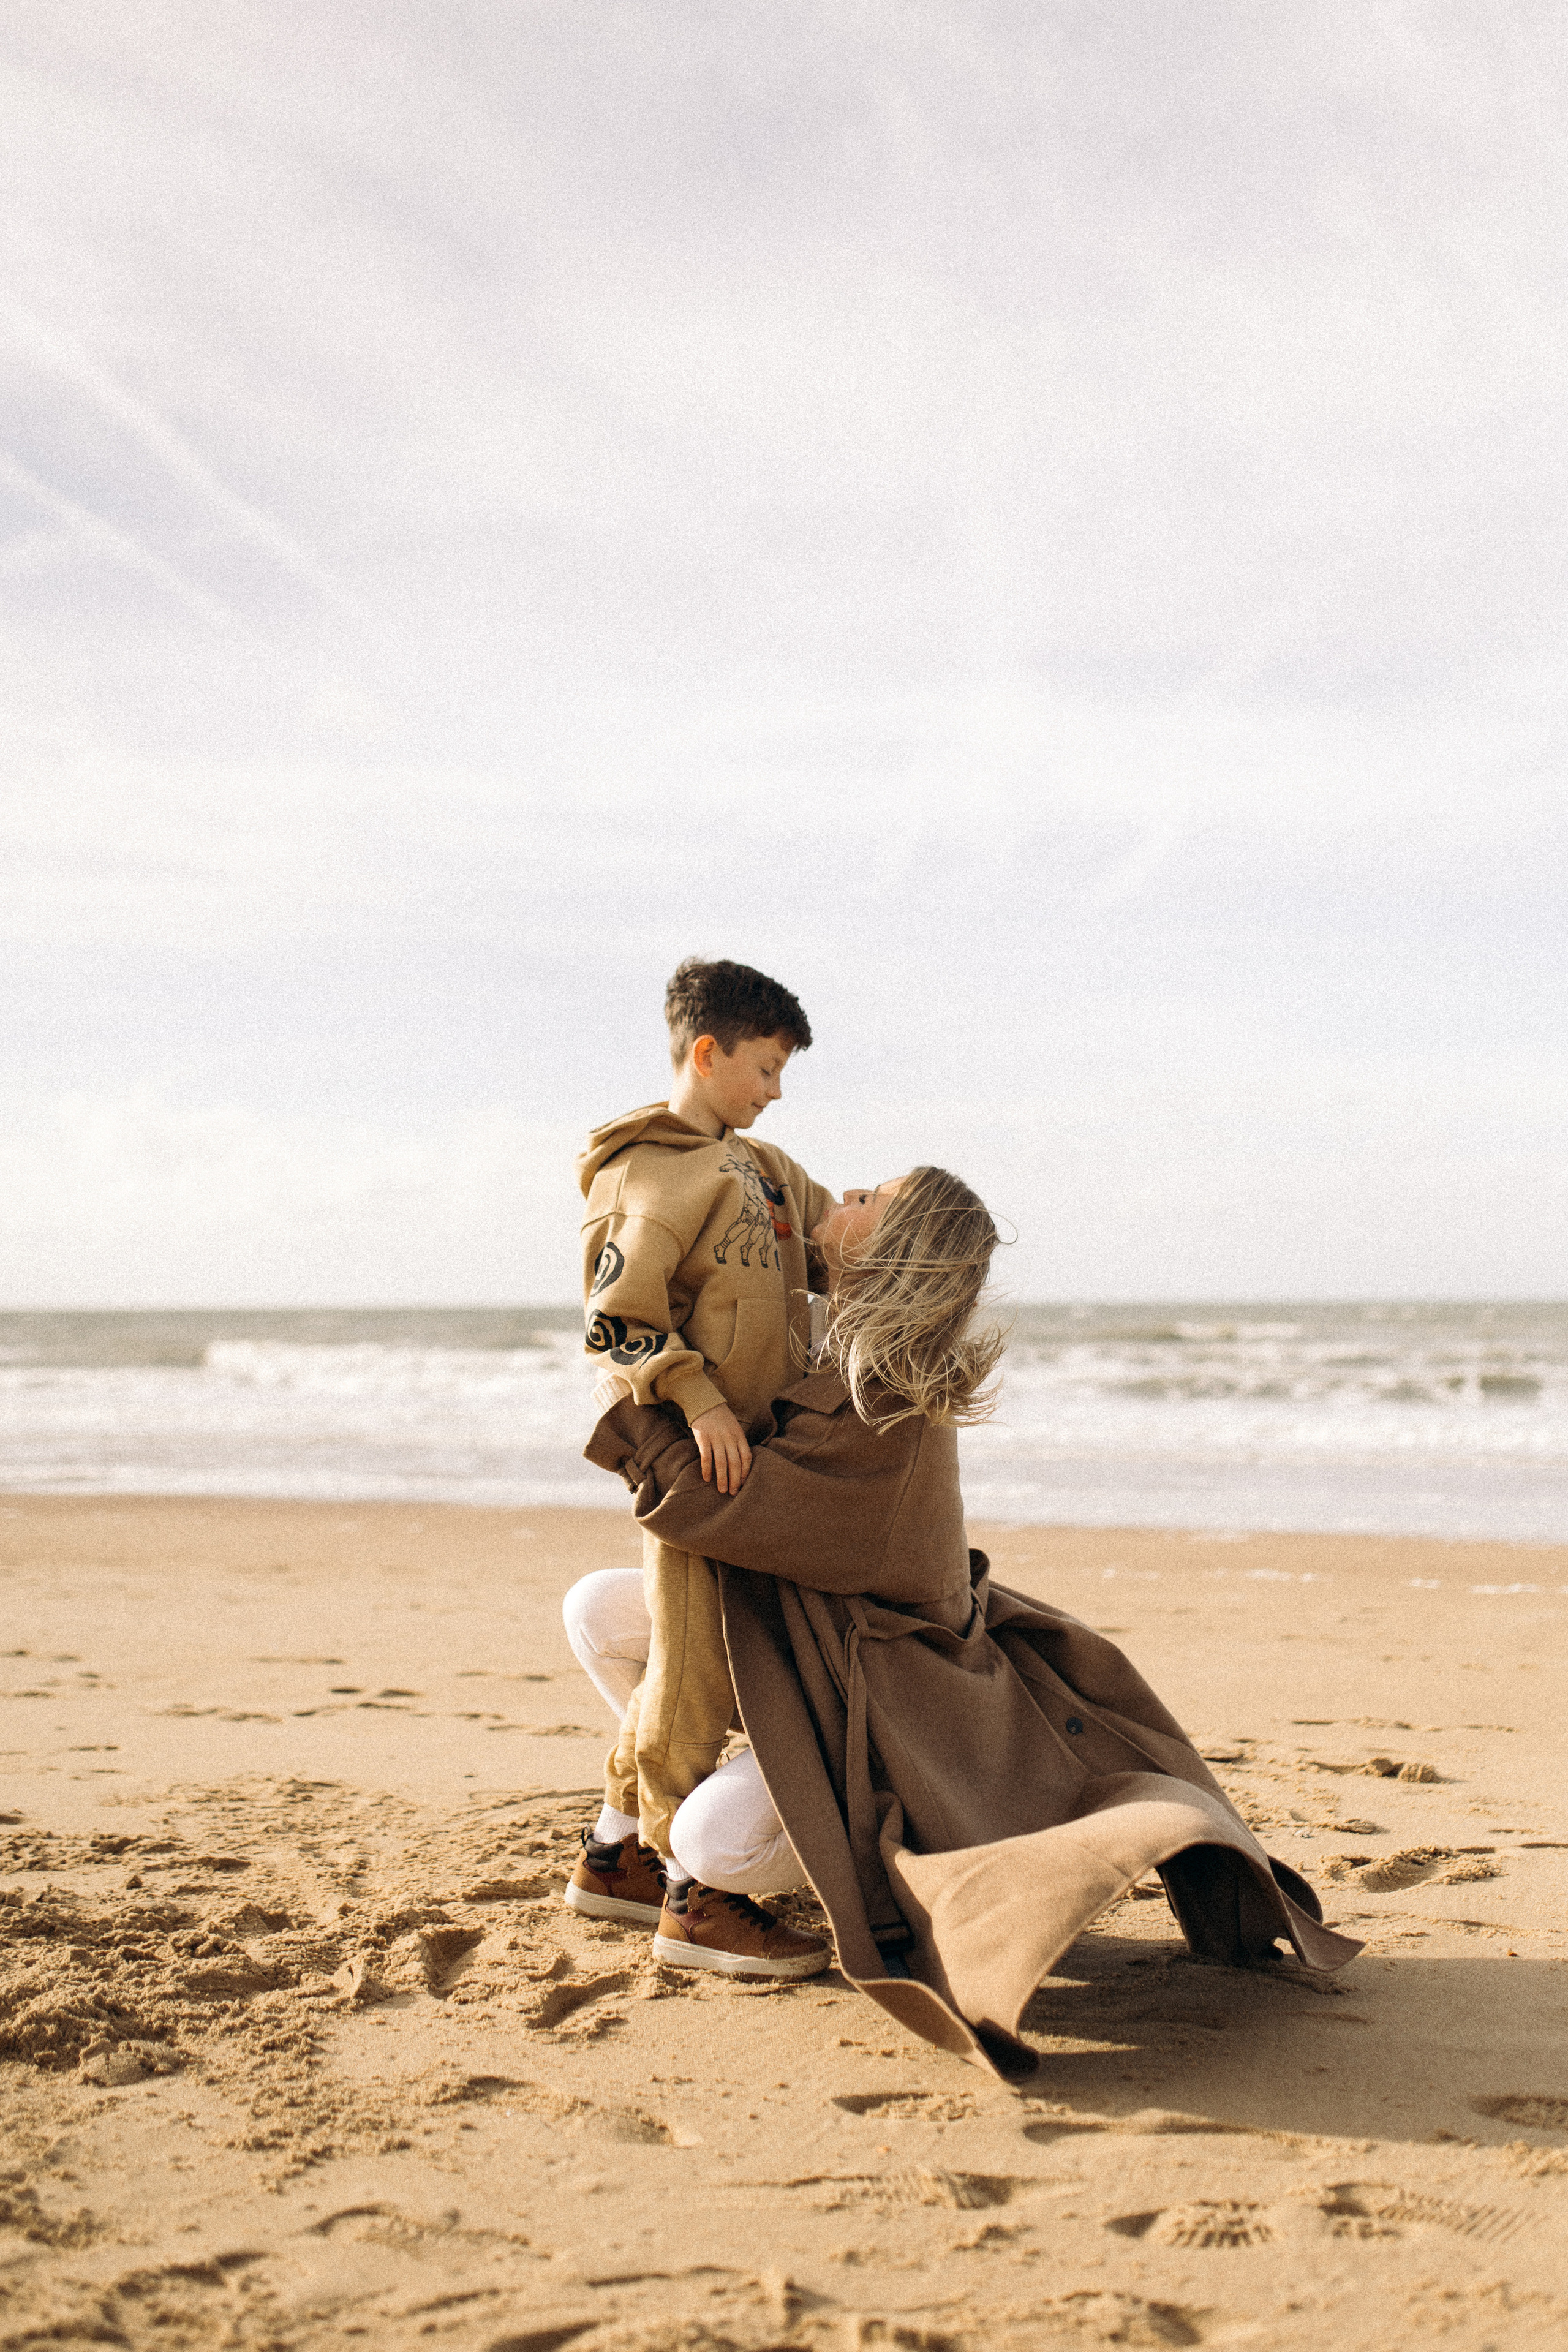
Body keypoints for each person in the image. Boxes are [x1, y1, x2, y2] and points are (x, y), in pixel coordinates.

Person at [570, 1165, 1362, 2063]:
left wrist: (624, 1407)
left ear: (894, 1253)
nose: (847, 1192)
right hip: (803, 1641)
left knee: (712, 1842)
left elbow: (728, 1508)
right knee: (596, 1610)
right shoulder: (815, 1334)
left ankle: (782, 1847)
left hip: (890, 1706)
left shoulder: (888, 1400)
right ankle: (668, 1839)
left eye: (871, 1200)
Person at [566, 956, 835, 1945]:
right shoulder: (645, 1173)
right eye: (766, 1069)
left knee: (712, 1660)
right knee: (688, 1673)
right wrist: (699, 1401)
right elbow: (616, 1322)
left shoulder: (765, 1170)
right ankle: (694, 1893)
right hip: (696, 1466)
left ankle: (615, 1858)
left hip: (767, 1471)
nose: (776, 1091)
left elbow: (839, 1234)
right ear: (709, 1053)